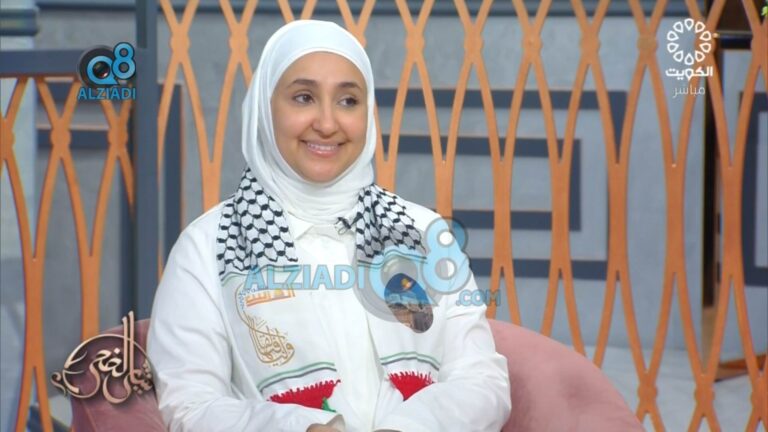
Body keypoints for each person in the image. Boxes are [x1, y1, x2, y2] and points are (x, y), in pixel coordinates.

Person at [147, 19, 511, 432]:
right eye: (303, 97)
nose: (326, 123)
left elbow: (482, 381)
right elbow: (191, 405)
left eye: (348, 101)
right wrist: (300, 427)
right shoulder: (207, 245)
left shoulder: (423, 232)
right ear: (265, 109)